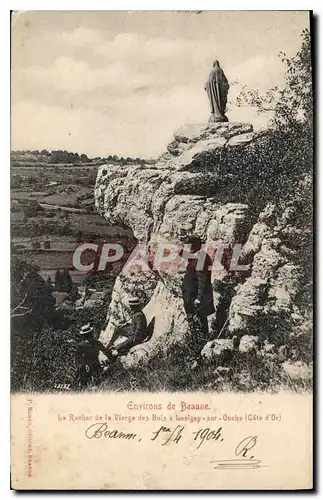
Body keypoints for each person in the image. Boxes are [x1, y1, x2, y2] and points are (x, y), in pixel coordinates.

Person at [181, 235, 215, 355]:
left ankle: (201, 347)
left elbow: (202, 280)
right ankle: (199, 346)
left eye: (188, 245)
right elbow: (189, 258)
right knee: (196, 323)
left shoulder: (201, 258)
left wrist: (199, 298)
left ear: (195, 246)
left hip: (195, 299)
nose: (186, 248)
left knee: (199, 323)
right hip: (191, 297)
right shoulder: (198, 256)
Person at [75, 323, 110, 389]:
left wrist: (81, 366)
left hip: (87, 367)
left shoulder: (81, 345)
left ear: (83, 336)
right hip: (95, 366)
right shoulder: (96, 343)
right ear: (91, 334)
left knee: (86, 387)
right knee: (98, 385)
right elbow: (106, 352)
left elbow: (77, 359)